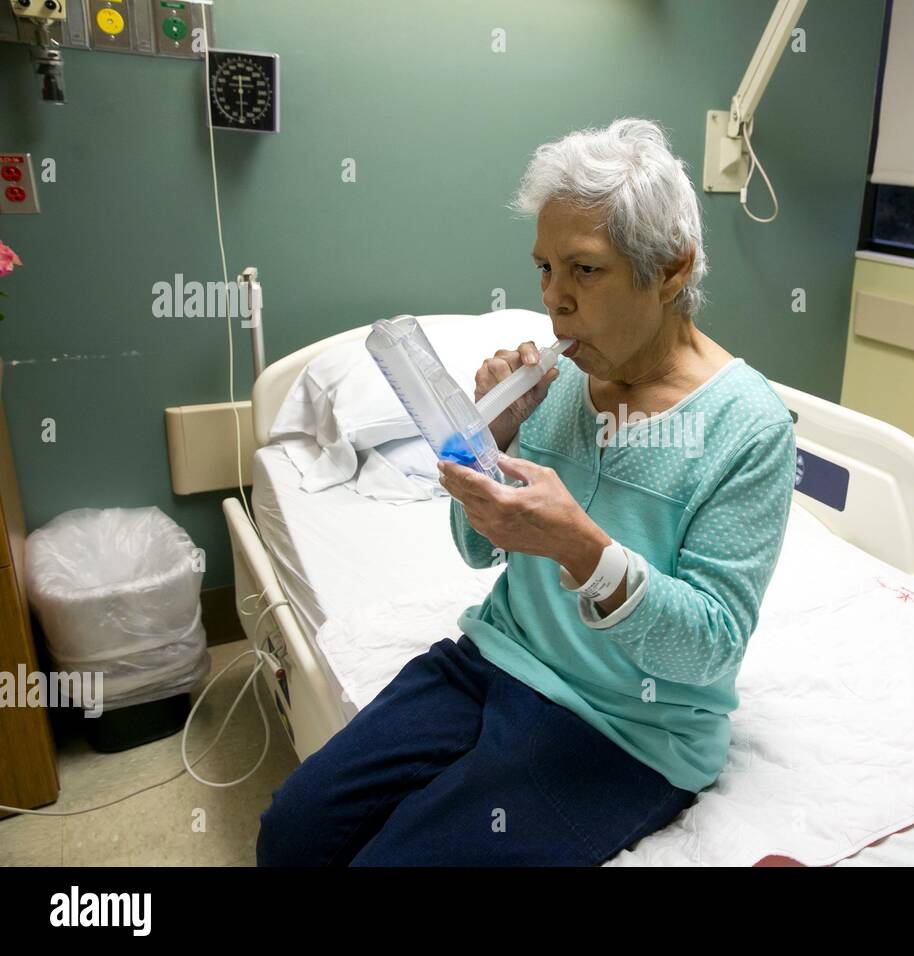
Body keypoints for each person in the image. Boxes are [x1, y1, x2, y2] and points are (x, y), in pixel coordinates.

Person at [256, 117, 796, 866]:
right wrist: (493, 442)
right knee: (292, 832)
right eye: (544, 269)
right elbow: (478, 549)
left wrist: (582, 549)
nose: (554, 301)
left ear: (671, 268)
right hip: (493, 662)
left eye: (584, 270)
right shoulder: (562, 383)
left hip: (624, 730)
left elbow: (709, 649)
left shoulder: (749, 427)